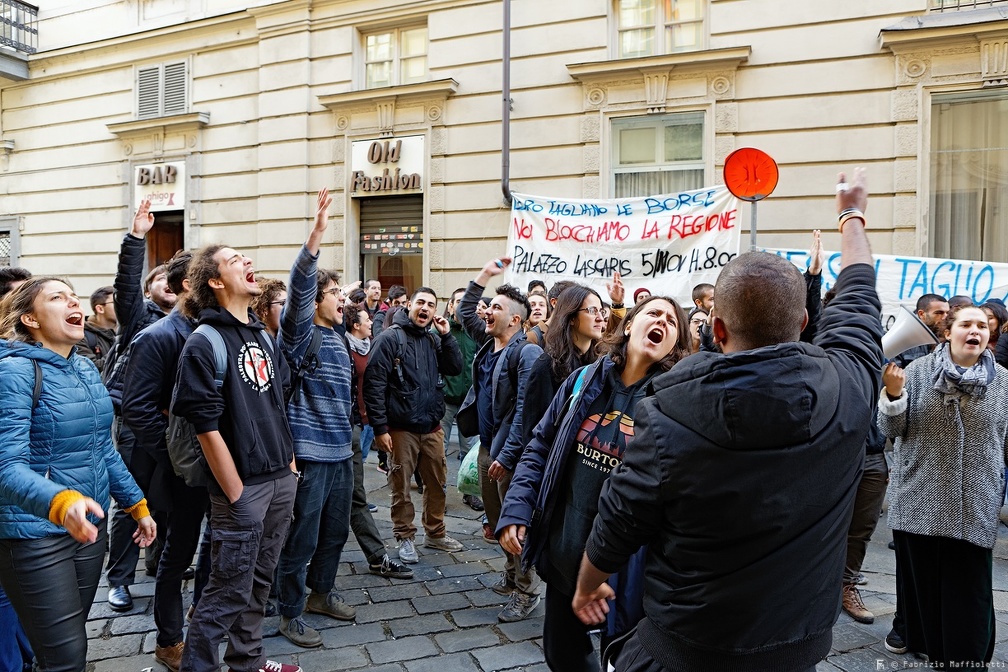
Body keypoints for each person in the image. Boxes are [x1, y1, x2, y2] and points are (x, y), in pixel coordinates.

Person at [571, 168, 882, 671]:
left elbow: (619, 519)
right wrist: (852, 214)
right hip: (797, 651)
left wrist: (588, 586)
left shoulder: (666, 412)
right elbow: (860, 291)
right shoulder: (851, 385)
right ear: (803, 324)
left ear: (716, 328)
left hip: (685, 648)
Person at [501, 294, 689, 672]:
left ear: (676, 343)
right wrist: (517, 506)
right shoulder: (584, 379)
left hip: (626, 572)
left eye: (672, 322)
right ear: (631, 323)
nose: (662, 322)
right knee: (562, 655)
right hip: (566, 552)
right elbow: (541, 445)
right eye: (654, 313)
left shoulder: (675, 403)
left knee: (622, 659)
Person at [0, 277, 156, 672]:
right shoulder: (13, 374)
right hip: (33, 535)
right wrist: (61, 501)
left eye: (74, 297)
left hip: (87, 531)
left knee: (62, 648)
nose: (75, 304)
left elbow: (102, 448)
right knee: (67, 659)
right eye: (57, 297)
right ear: (30, 318)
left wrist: (136, 504)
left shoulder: (85, 368)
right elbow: (6, 467)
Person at [171, 244, 299, 672]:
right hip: (242, 489)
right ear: (215, 280)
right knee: (226, 590)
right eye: (234, 259)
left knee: (260, 581)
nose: (248, 262)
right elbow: (205, 427)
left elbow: (278, 402)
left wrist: (291, 467)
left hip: (280, 479)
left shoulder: (262, 334)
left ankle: (248, 660)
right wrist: (235, 493)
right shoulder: (203, 341)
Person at [878, 305, 1008, 669]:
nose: (975, 331)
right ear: (948, 332)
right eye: (966, 324)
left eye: (982, 326)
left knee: (972, 592)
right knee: (926, 591)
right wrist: (893, 396)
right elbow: (890, 432)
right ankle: (934, 653)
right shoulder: (917, 373)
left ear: (988, 335)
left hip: (974, 505)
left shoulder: (1005, 382)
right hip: (920, 500)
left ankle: (968, 660)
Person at [274, 189, 357, 649]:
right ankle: (289, 611)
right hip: (308, 454)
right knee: (301, 538)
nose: (341, 300)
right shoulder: (299, 334)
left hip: (341, 452)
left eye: (342, 293)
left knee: (334, 531)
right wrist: (316, 239)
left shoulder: (341, 339)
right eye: (334, 293)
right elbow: (299, 291)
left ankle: (321, 594)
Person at [121, 251, 202, 672]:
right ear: (187, 285)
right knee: (176, 554)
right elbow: (136, 408)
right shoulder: (157, 336)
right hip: (181, 471)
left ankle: (201, 618)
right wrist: (176, 457)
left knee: (213, 548)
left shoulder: (214, 328)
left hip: (219, 466)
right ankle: (169, 641)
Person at [456, 258, 544, 622]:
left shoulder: (526, 352)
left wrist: (507, 456)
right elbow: (464, 311)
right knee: (495, 519)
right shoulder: (488, 343)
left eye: (497, 308)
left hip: (513, 454)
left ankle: (528, 592)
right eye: (489, 306)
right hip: (488, 447)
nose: (487, 311)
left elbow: (524, 412)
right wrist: (486, 274)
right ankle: (512, 574)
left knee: (513, 524)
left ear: (516, 321)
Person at [104, 199, 177, 612]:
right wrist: (136, 238)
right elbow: (125, 285)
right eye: (159, 277)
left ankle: (159, 562)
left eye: (173, 277)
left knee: (166, 496)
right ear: (150, 287)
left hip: (170, 426)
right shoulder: (138, 317)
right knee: (132, 502)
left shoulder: (191, 321)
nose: (167, 281)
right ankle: (119, 578)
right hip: (134, 423)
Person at [363, 287, 464, 564]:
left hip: (431, 427)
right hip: (401, 428)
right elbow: (374, 386)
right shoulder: (389, 339)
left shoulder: (433, 340)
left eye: (431, 305)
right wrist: (380, 429)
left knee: (437, 483)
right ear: (409, 305)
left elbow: (455, 367)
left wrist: (446, 336)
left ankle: (435, 532)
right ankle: (405, 536)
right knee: (401, 487)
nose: (426, 308)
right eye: (421, 302)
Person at [343, 303, 414, 580]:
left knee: (353, 494)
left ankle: (376, 557)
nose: (371, 322)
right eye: (365, 319)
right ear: (354, 324)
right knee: (346, 497)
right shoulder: (342, 346)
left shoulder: (368, 347)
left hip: (361, 423)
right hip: (345, 427)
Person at [521, 285, 606, 450]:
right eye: (591, 310)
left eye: (601, 311)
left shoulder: (600, 365)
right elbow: (534, 432)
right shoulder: (546, 366)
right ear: (571, 317)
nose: (600, 318)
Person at [441, 288, 482, 510]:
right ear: (450, 305)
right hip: (446, 400)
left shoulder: (474, 332)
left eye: (464, 302)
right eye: (457, 301)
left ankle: (470, 493)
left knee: (470, 450)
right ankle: (440, 494)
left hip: (469, 401)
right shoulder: (440, 330)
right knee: (440, 451)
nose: (460, 305)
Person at [74, 286, 117, 374]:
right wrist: (121, 347)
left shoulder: (126, 333)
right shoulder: (80, 336)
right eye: (116, 302)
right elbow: (92, 368)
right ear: (100, 309)